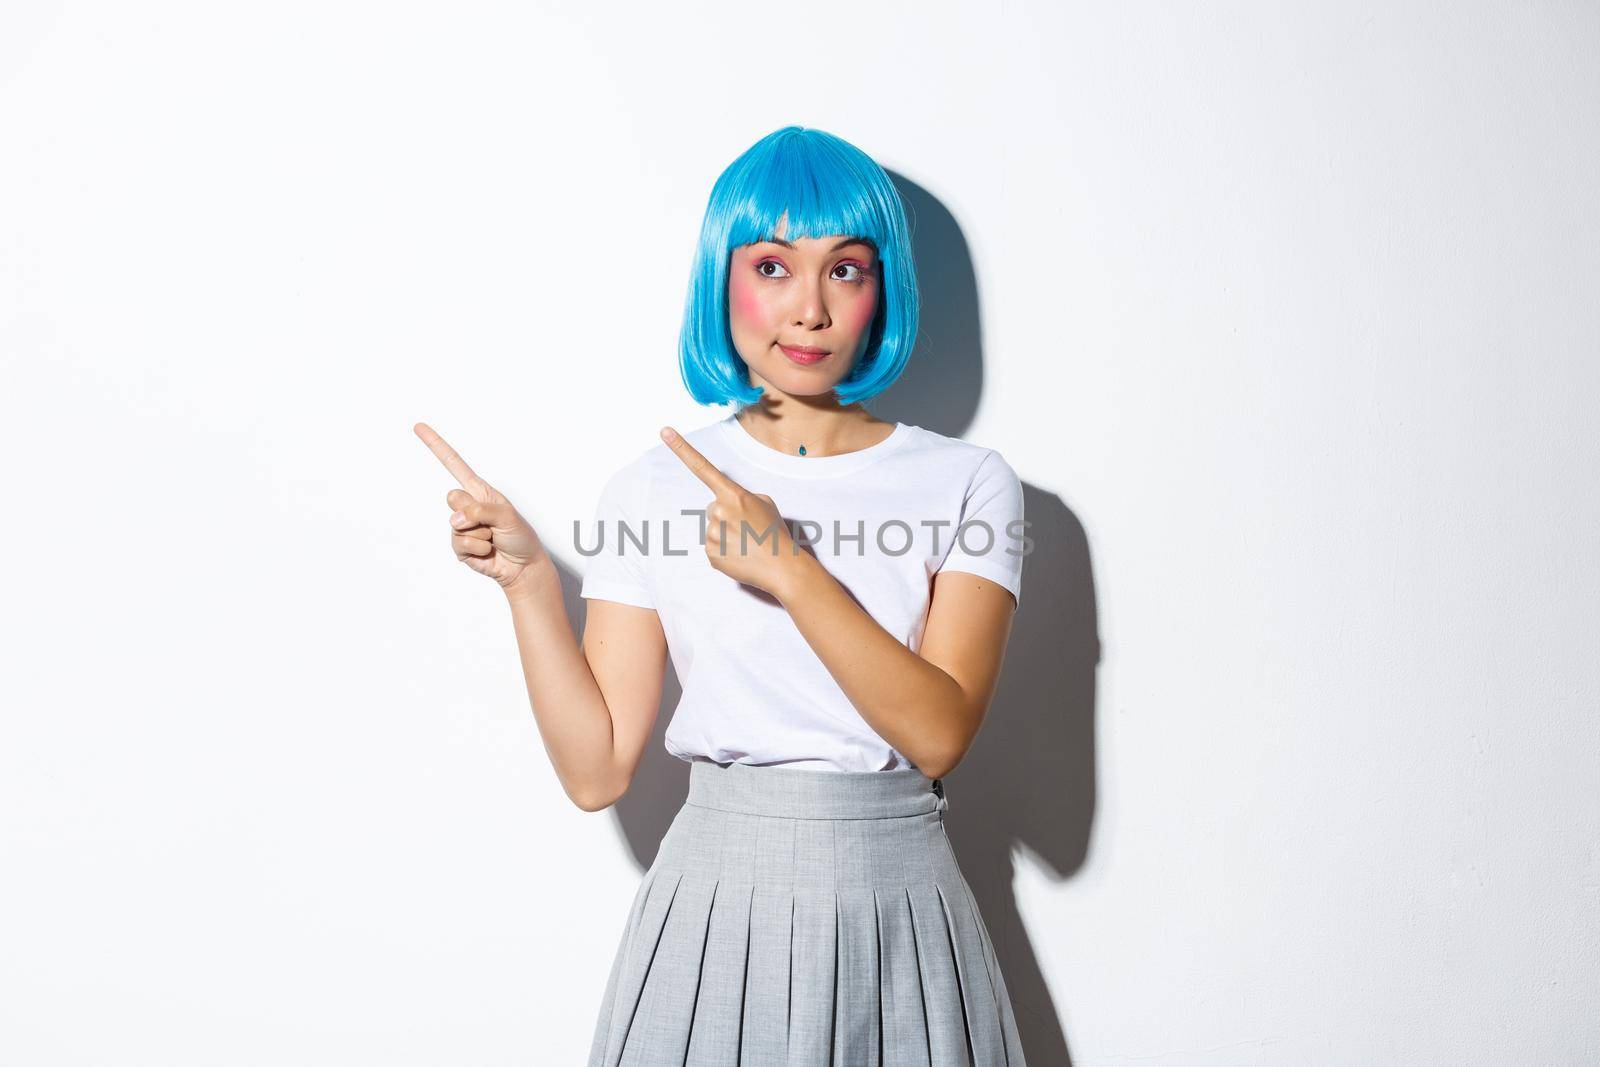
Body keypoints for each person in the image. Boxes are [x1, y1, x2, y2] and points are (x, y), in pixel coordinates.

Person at [415, 125, 1029, 1065]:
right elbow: (597, 772)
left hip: (901, 899)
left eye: (846, 270)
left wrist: (790, 568)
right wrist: (532, 583)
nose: (811, 310)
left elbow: (940, 732)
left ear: (882, 289)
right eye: (774, 266)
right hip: (712, 908)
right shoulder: (652, 487)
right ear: (723, 279)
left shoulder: (968, 481)